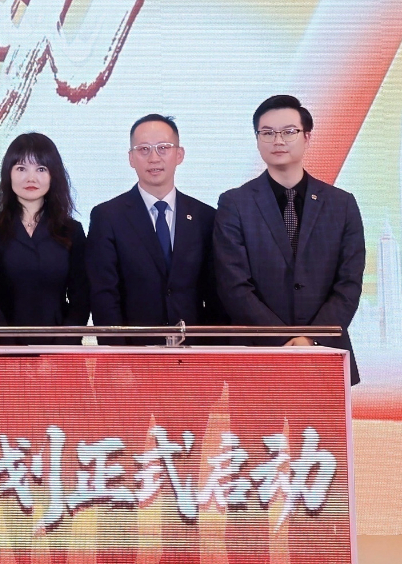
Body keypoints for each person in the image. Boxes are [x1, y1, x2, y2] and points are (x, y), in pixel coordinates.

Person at [215, 94, 365, 384]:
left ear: (307, 137)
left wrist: (310, 338)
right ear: (257, 139)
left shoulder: (341, 204)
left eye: (288, 132)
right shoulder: (235, 203)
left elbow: (348, 284)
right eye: (267, 133)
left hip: (324, 356)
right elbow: (233, 285)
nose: (278, 141)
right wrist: (283, 338)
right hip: (256, 358)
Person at [88, 113, 218, 337]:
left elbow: (216, 293)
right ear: (131, 158)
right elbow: (104, 296)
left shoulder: (205, 216)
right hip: (133, 350)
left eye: (163, 148)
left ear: (179, 154)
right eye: (144, 149)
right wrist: (118, 352)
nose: (154, 158)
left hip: (193, 349)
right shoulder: (107, 216)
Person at [0, 132, 87, 341]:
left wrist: (63, 344)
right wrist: (6, 343)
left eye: (41, 169)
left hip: (60, 348)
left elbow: (82, 296)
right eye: (21, 168)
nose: (31, 178)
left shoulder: (71, 230)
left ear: (53, 175)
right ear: (8, 173)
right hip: (2, 347)